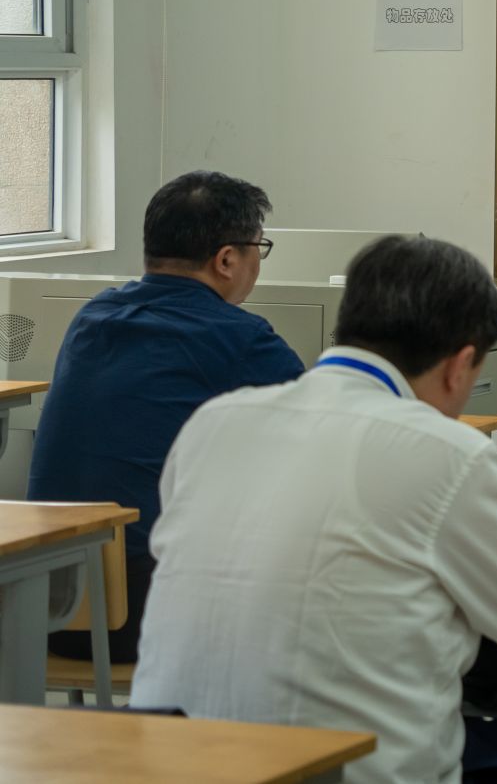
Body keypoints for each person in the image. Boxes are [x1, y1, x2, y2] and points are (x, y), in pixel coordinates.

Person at [131, 235, 497, 784]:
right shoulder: (447, 453)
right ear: (460, 366)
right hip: (333, 772)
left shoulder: (214, 423)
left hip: (167, 762)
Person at [27, 170, 303, 661]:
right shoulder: (239, 338)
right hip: (142, 616)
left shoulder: (93, 317)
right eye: (258, 248)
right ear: (226, 259)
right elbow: (320, 438)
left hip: (41, 604)